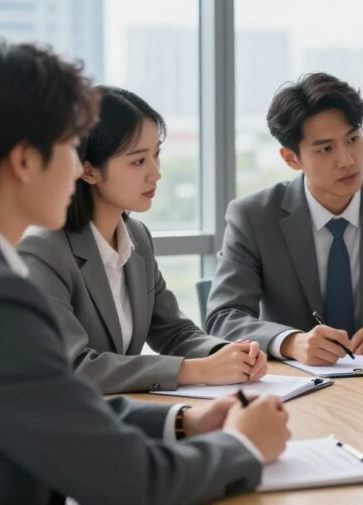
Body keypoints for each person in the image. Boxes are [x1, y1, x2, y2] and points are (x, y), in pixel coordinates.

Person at [0, 38, 290, 504]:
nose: (76, 165)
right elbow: (134, 482)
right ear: (24, 160)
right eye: (69, 145)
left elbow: (52, 409)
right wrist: (243, 445)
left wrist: (181, 420)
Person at [18, 86, 267, 394]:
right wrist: (195, 370)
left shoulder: (137, 236)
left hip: (128, 415)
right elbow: (75, 366)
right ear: (89, 170)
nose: (156, 173)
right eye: (138, 161)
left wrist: (227, 355)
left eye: (157, 154)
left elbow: (173, 331)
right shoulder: (43, 250)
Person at [206, 72, 363, 365]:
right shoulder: (254, 217)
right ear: (291, 158)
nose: (347, 159)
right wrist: (291, 342)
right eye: (325, 149)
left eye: (353, 139)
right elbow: (224, 318)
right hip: (297, 389)